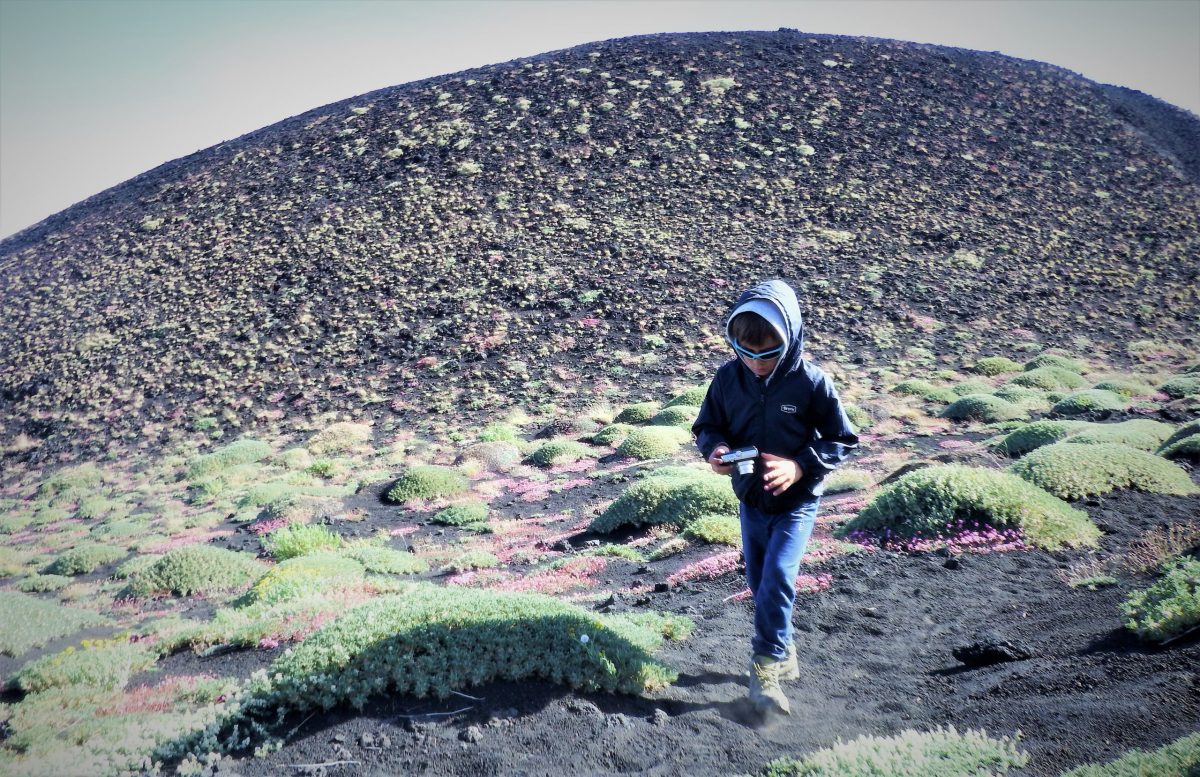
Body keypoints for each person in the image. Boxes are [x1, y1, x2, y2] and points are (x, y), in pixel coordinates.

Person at [692, 279, 858, 714]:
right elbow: (708, 426)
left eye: (768, 353)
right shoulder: (728, 378)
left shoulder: (810, 382)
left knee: (778, 580)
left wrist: (800, 465)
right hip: (751, 499)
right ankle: (784, 650)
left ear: (790, 337)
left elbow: (842, 438)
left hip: (796, 504)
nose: (756, 362)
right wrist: (716, 451)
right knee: (757, 583)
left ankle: (764, 672)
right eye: (745, 351)